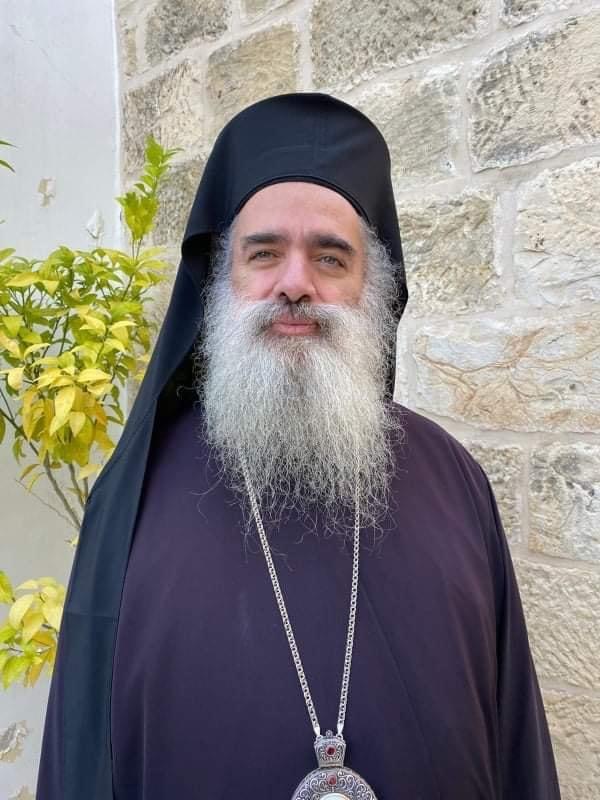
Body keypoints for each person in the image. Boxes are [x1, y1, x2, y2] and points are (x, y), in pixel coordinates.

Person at [36, 93, 561, 799]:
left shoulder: (455, 480)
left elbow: (516, 738)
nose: (294, 284)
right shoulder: (133, 498)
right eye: (263, 254)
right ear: (221, 279)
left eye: (330, 258)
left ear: (373, 287)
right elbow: (80, 759)